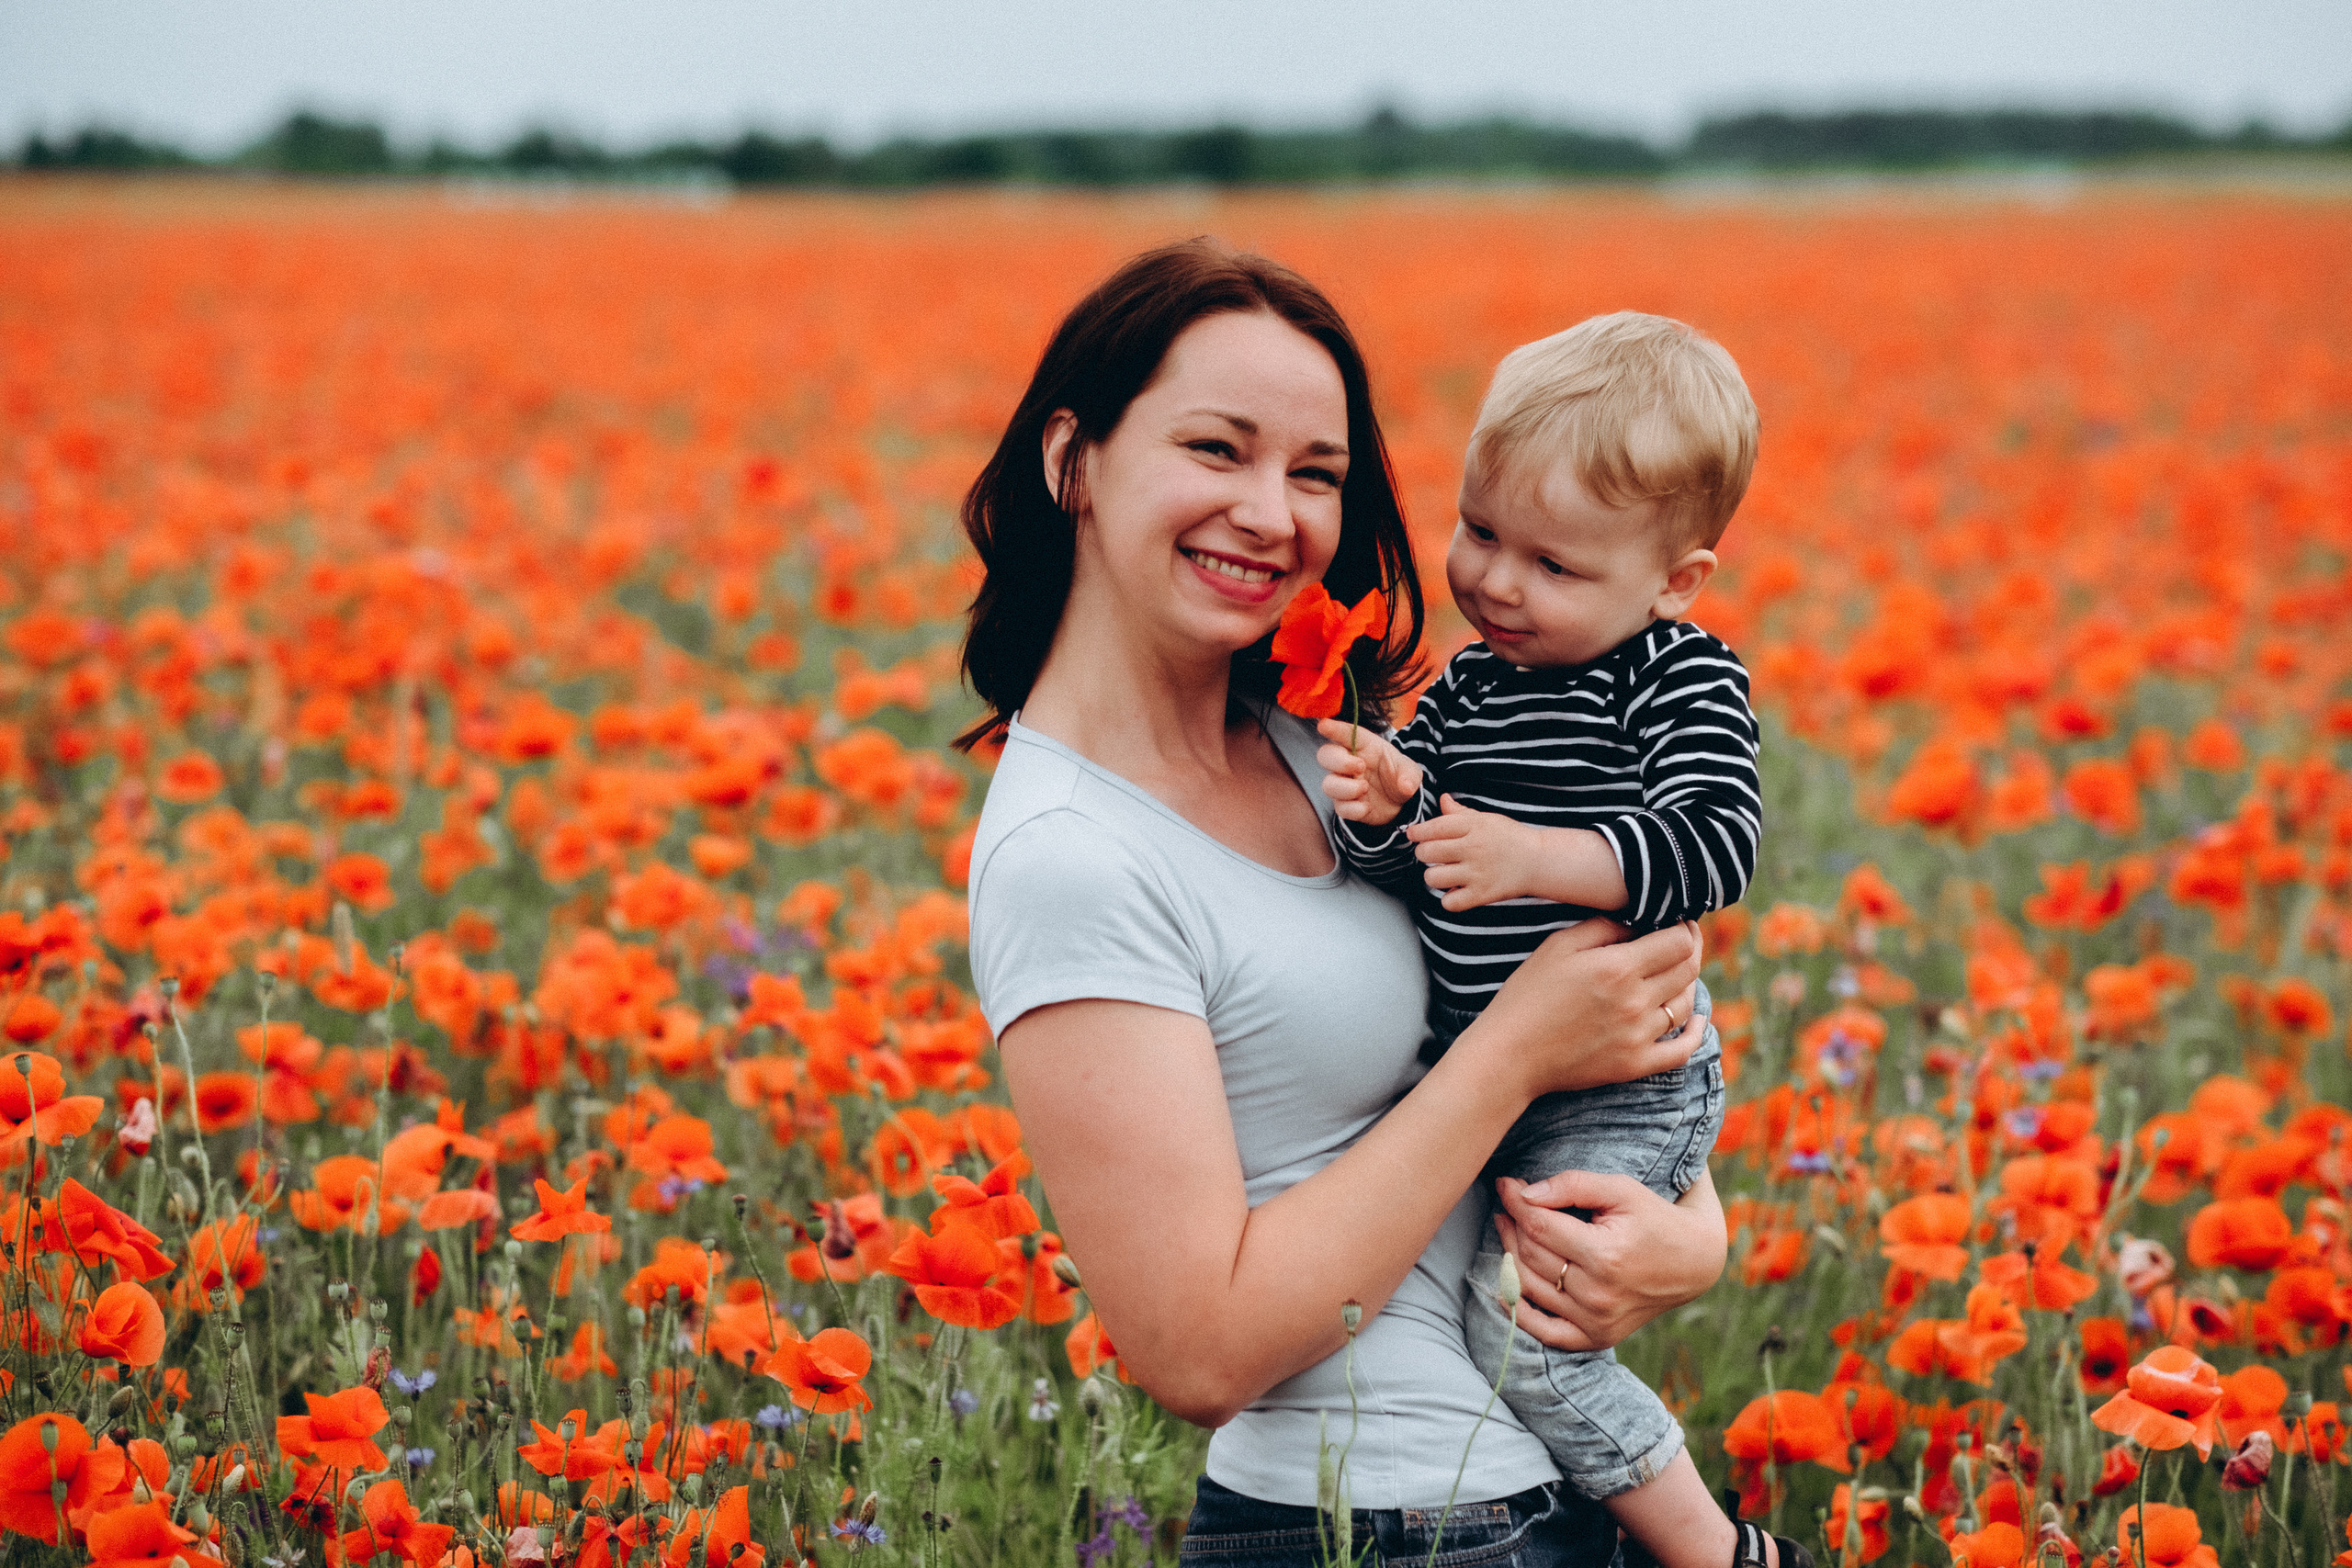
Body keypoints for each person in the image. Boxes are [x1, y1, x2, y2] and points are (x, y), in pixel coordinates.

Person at [959, 239, 1730, 1567]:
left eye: (1315, 473)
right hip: (1371, 1526)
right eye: (1218, 449)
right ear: (1072, 459)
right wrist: (1517, 1053)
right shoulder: (1069, 852)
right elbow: (1198, 1351)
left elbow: (1592, 1030)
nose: (1274, 513)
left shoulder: (1330, 751)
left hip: (1556, 1499)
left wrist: (1688, 1245)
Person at [1315, 312, 1797, 1568]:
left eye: (1555, 565)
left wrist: (1535, 857)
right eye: (1480, 533)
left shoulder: (1677, 677)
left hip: (1623, 1083)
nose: (1497, 585)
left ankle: (1710, 1551)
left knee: (1524, 1333)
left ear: (1672, 582)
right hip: (1499, 1077)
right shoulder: (1472, 685)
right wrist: (1383, 806)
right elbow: (1420, 861)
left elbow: (1713, 845)